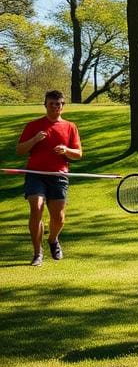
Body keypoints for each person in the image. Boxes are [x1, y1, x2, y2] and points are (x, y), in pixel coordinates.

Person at [15, 90, 83, 266]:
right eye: (51, 103)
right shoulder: (33, 125)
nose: (55, 107)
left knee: (58, 217)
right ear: (45, 105)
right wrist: (35, 140)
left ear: (62, 106)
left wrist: (66, 150)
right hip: (35, 175)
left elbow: (78, 154)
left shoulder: (70, 127)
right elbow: (20, 150)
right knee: (36, 208)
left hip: (58, 175)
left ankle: (53, 239)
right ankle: (37, 253)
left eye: (58, 104)